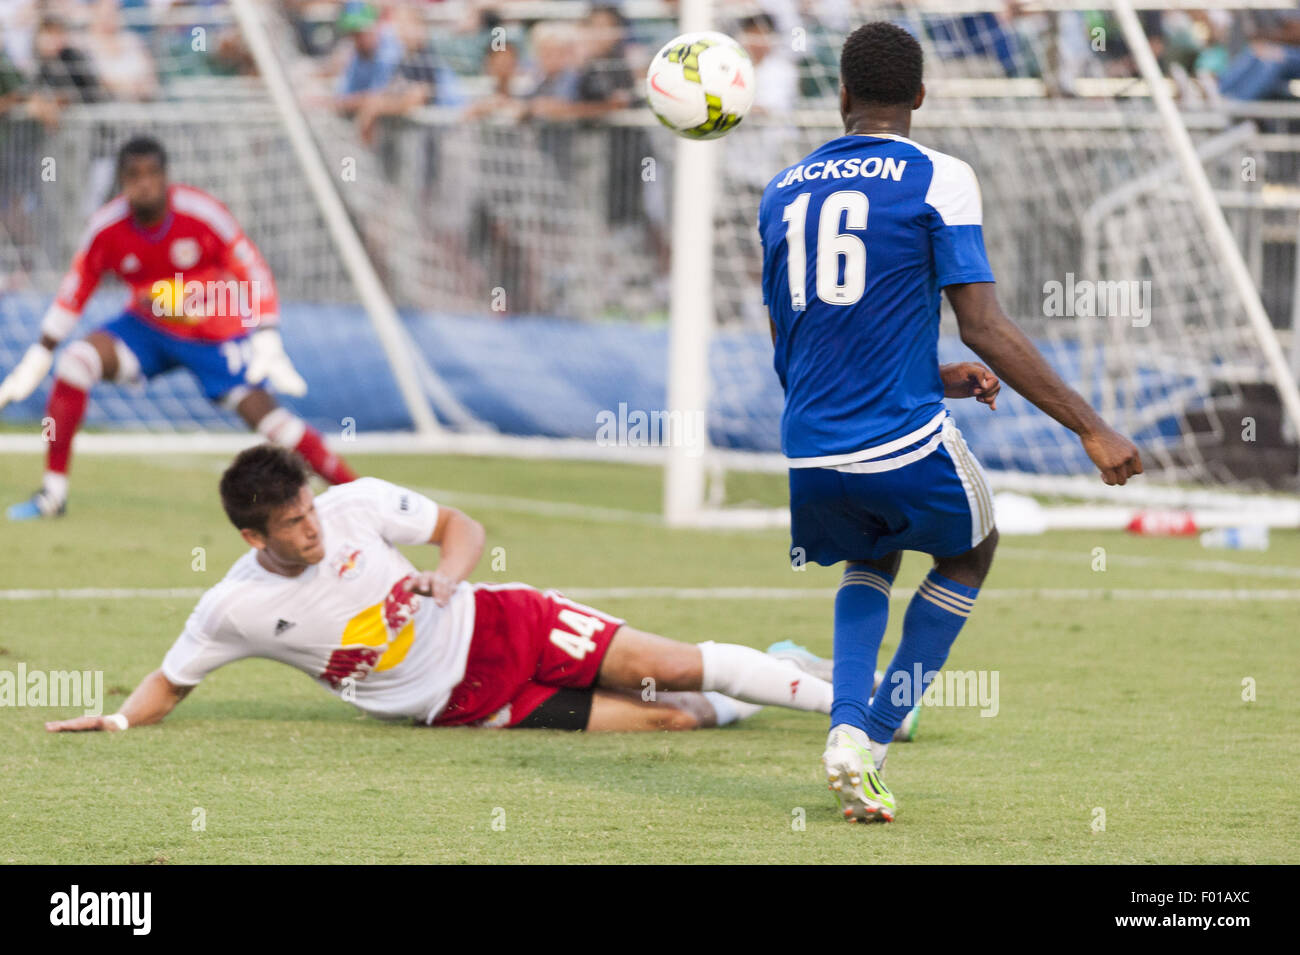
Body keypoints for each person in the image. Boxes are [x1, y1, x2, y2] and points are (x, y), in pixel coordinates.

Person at [757, 22, 1142, 822]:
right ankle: (873, 735)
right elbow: (985, 325)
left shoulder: (783, 190)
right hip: (897, 434)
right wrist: (1090, 426)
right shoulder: (939, 176)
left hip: (810, 442)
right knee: (970, 550)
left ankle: (844, 729)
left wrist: (933, 377)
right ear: (921, 96)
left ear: (842, 96)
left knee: (869, 556)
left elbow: (795, 348)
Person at [44, 445, 846, 736]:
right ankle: (774, 667)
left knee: (672, 668)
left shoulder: (353, 505)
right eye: (291, 523)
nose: (313, 527)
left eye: (309, 506)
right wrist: (116, 716)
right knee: (673, 718)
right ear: (254, 538)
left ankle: (851, 708)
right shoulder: (234, 607)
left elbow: (460, 525)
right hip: (470, 707)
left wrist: (446, 575)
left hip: (505, 623)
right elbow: (171, 679)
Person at [0, 136, 357, 520]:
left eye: (153, 173)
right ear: (121, 181)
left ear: (166, 176)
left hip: (213, 334)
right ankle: (53, 495)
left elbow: (251, 268)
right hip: (148, 330)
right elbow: (75, 291)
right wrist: (41, 352)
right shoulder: (107, 229)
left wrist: (267, 332)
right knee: (75, 362)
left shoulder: (202, 213)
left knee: (275, 425)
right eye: (134, 175)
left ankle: (357, 495)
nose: (145, 183)